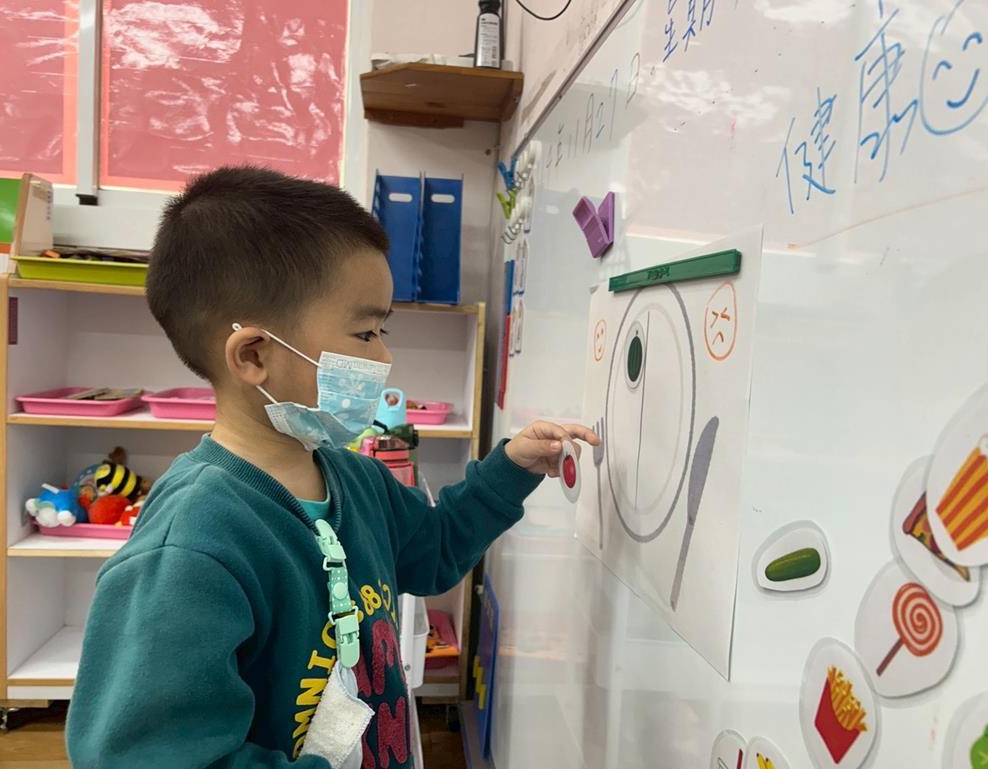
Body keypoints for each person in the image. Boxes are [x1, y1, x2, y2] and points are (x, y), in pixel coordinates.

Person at [66, 166, 598, 769]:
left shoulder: (355, 478)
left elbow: (435, 550)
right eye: (366, 333)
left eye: (382, 330)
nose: (385, 354)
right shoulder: (191, 546)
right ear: (254, 355)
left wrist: (511, 469)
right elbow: (146, 756)